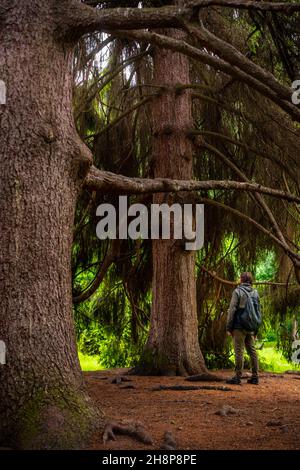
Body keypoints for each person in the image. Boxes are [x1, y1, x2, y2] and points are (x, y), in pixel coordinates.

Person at [226, 272, 260, 385]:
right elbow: (258, 312)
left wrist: (229, 327)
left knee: (239, 351)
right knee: (252, 351)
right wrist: (256, 330)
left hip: (239, 326)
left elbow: (232, 310)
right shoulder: (255, 292)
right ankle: (255, 376)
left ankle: (237, 377)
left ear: (241, 280)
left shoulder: (238, 291)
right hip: (250, 327)